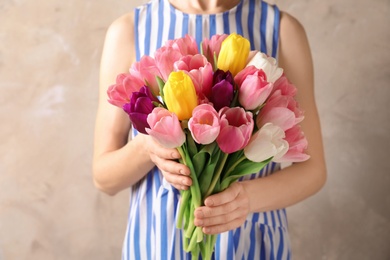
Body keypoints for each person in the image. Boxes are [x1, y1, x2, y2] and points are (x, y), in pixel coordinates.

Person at [93, 0, 327, 259]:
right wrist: (147, 146)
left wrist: (245, 200)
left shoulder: (280, 29)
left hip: (250, 244)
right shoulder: (129, 31)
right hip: (158, 242)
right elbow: (103, 178)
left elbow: (313, 170)